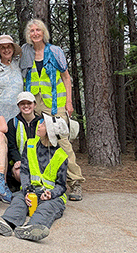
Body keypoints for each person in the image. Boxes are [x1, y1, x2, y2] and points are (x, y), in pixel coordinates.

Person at [19, 18, 84, 201]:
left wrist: (69, 102)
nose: (35, 33)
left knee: (62, 141)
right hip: (34, 104)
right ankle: (41, 182)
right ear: (28, 35)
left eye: (38, 30)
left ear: (44, 32)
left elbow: (66, 77)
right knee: (37, 141)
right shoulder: (26, 52)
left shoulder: (55, 51)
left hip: (55, 105)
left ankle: (76, 182)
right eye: (31, 31)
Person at [0, 115, 69, 242]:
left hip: (51, 197)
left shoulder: (61, 156)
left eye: (43, 124)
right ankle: (6, 223)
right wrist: (27, 191)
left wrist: (50, 194)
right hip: (31, 191)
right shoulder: (30, 144)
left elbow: (62, 186)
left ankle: (33, 228)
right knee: (19, 199)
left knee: (47, 208)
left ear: (49, 132)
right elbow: (25, 171)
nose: (40, 124)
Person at [6, 92, 43, 191]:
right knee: (19, 172)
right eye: (22, 104)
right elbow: (11, 146)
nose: (26, 106)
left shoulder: (43, 123)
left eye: (29, 103)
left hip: (39, 162)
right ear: (18, 106)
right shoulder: (13, 123)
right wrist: (18, 161)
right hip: (20, 161)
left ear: (34, 105)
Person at [0, 34, 23, 121]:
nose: (6, 50)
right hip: (0, 112)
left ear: (13, 49)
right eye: (3, 47)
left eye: (9, 47)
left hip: (19, 111)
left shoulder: (18, 64)